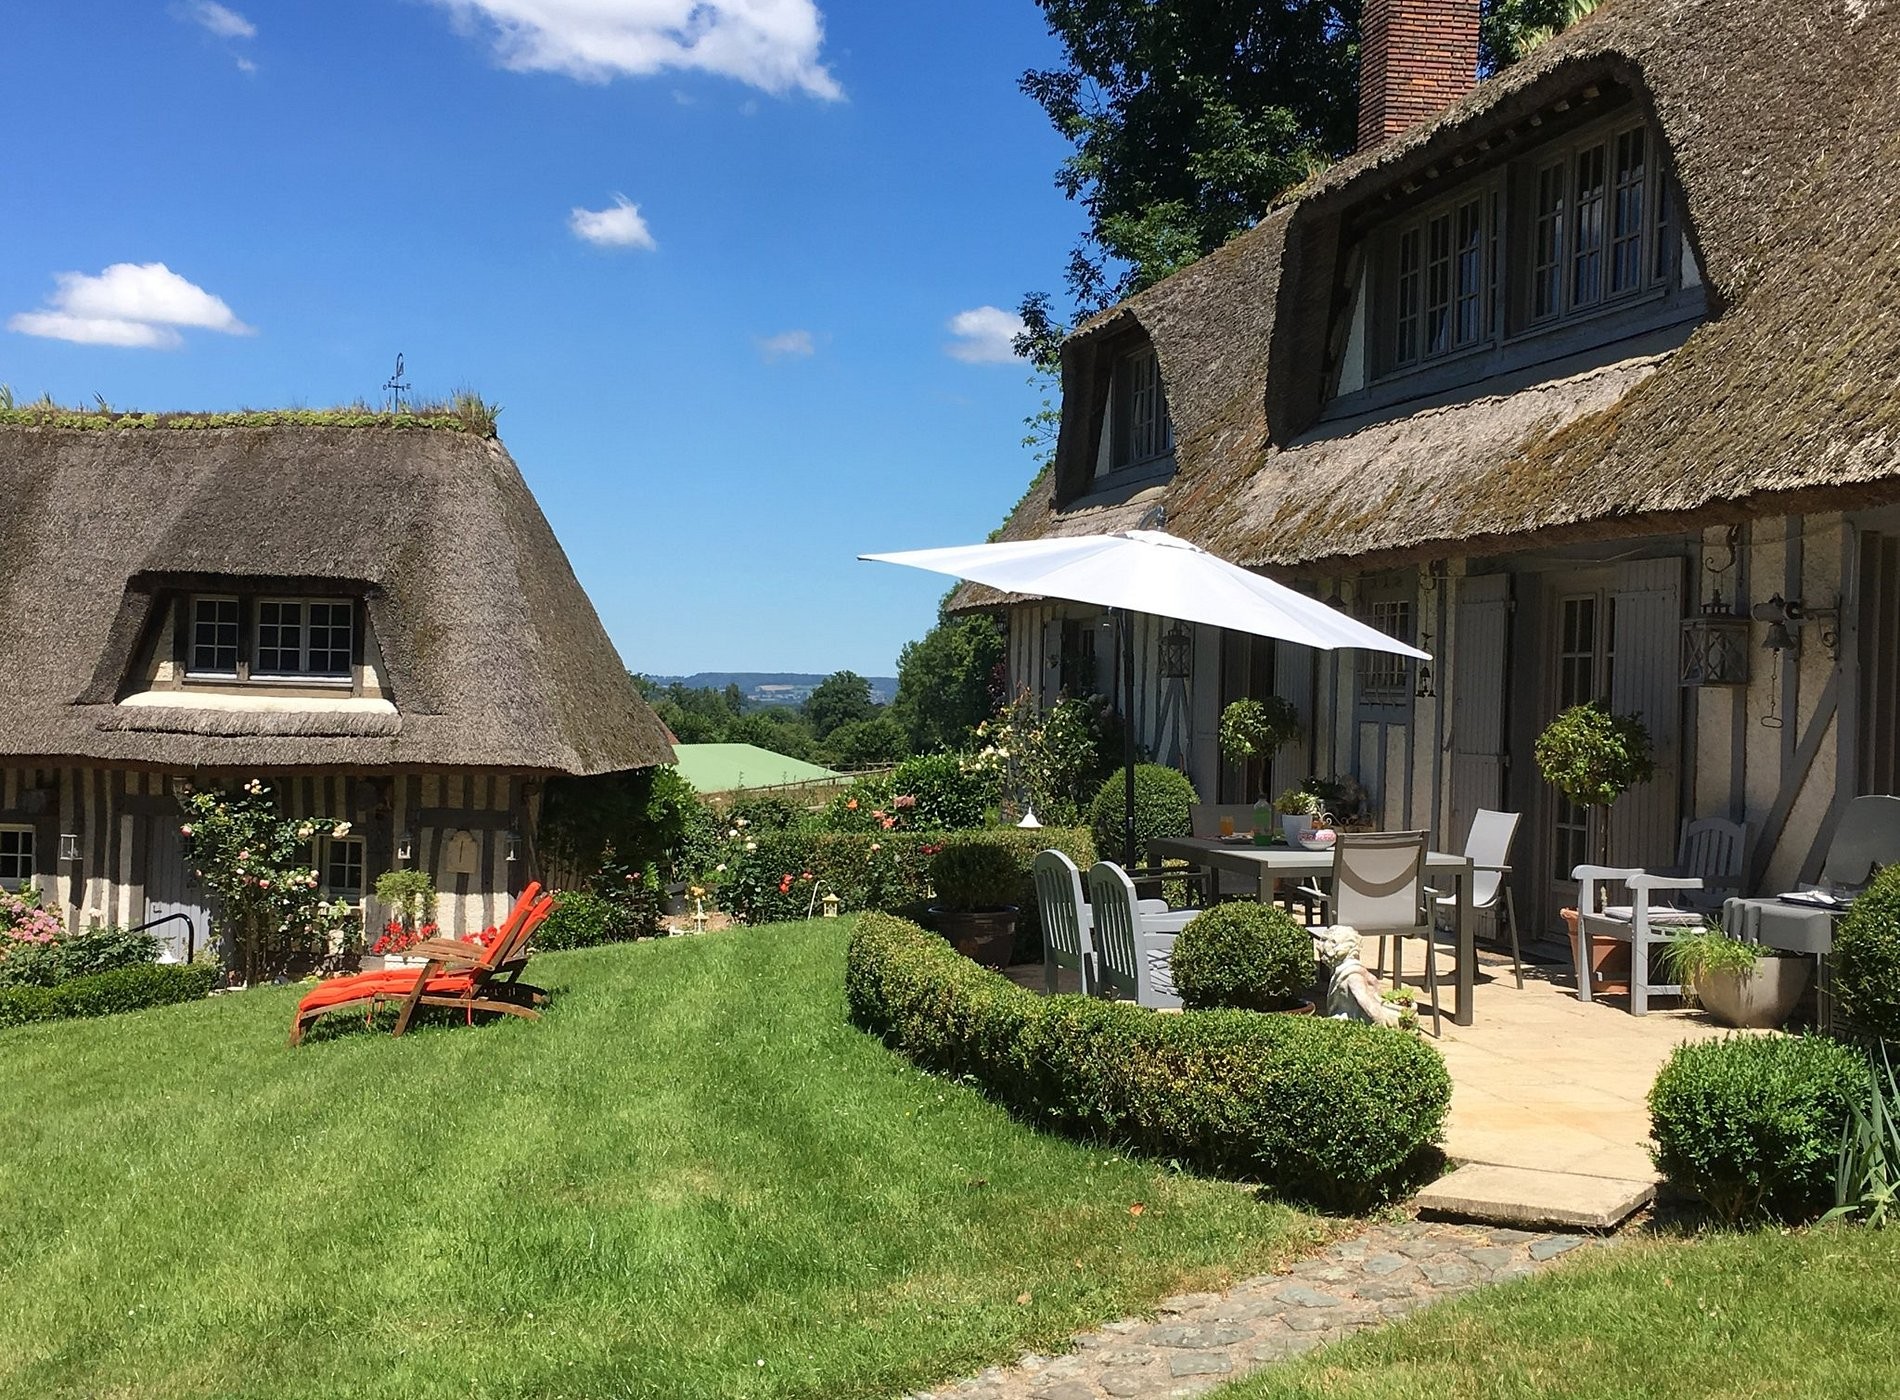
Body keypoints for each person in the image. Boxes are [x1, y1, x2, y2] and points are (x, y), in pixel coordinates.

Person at [1316, 925, 1406, 1027]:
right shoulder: (1346, 971)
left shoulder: (1352, 976)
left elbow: (1370, 1007)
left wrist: (1383, 1024)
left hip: (1351, 1022)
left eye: (1332, 942)